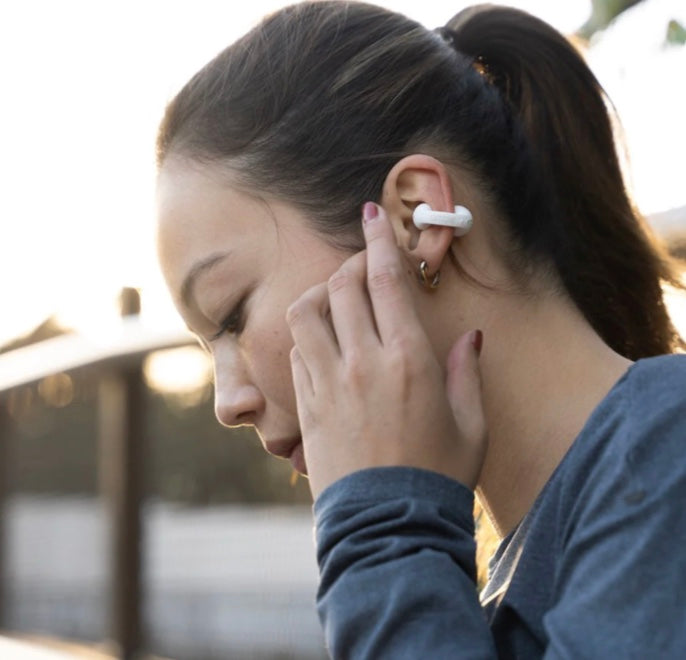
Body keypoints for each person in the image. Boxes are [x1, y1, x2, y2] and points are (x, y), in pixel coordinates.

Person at [154, 1, 686, 657]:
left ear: (415, 218)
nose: (226, 403)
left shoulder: (669, 455)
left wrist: (382, 529)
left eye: (232, 313)